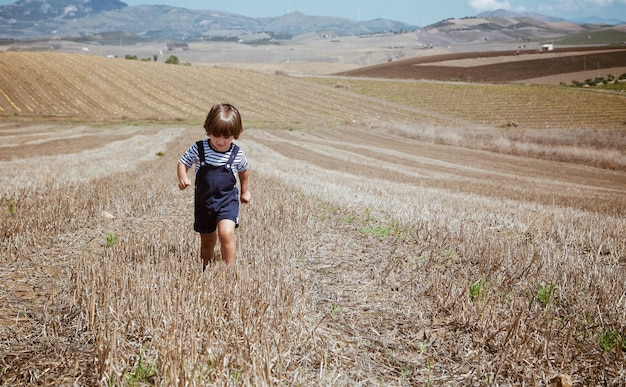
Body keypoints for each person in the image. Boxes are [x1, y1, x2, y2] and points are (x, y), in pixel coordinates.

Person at [177, 103, 250, 269]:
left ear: (235, 134)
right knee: (208, 240)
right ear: (208, 129)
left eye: (227, 137)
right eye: (216, 135)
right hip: (205, 203)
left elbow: (244, 170)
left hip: (227, 201)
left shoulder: (237, 153)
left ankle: (230, 269)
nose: (221, 141)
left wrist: (244, 191)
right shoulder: (199, 148)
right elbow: (182, 163)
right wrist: (183, 177)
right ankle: (205, 266)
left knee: (226, 233)